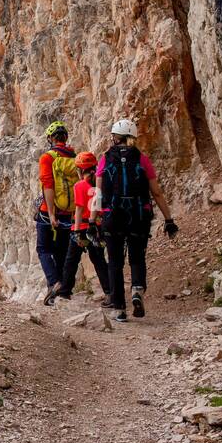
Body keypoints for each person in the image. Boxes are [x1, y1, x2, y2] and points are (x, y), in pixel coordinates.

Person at [95, 118, 179, 322]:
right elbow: (156, 192)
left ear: (116, 137)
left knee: (114, 262)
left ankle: (119, 309)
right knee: (137, 257)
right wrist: (169, 219)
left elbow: (97, 193)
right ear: (132, 137)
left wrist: (92, 220)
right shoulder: (142, 159)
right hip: (138, 216)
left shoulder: (105, 158)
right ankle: (137, 290)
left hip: (112, 216)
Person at [58, 152, 111, 304]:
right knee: (99, 260)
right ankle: (109, 293)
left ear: (80, 170)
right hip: (97, 226)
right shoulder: (100, 183)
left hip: (81, 227)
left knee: (71, 260)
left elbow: (79, 209)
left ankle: (65, 292)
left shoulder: (79, 185)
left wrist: (75, 231)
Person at [38, 121, 80, 306]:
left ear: (51, 138)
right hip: (69, 212)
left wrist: (52, 214)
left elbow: (48, 185)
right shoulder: (74, 157)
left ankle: (54, 282)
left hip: (50, 212)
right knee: (62, 251)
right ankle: (64, 292)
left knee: (43, 249)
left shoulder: (48, 157)